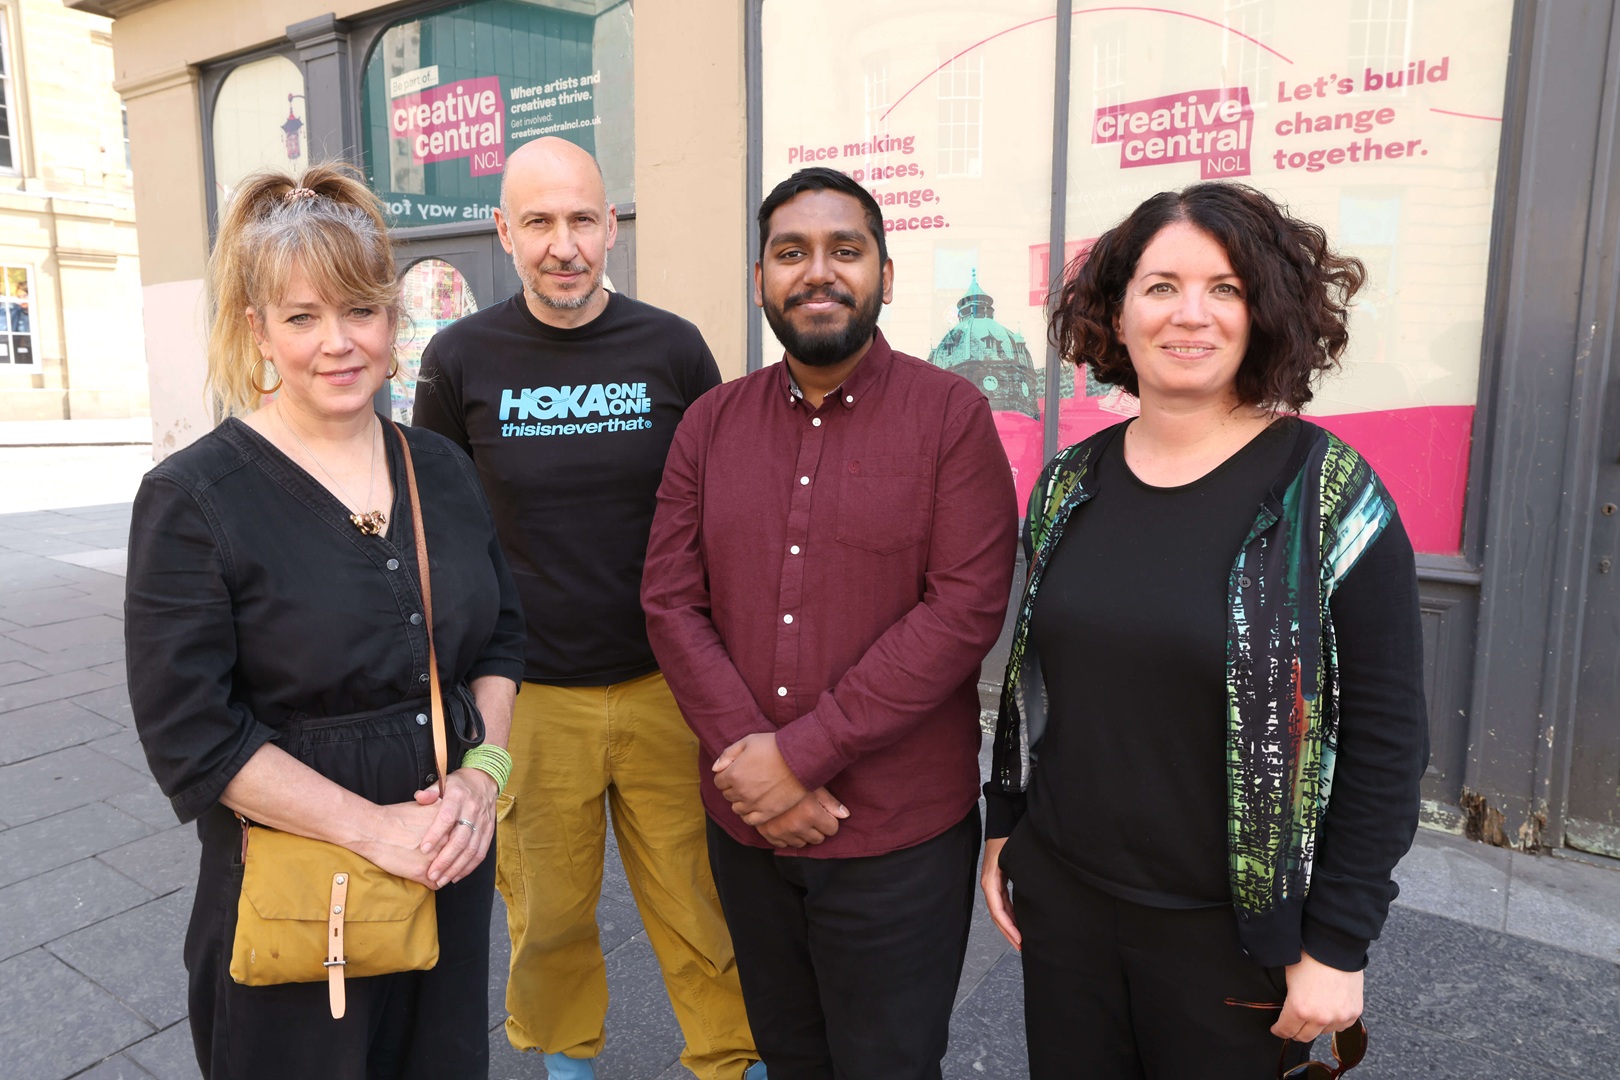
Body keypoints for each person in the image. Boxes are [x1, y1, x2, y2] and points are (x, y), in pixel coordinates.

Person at [979, 182, 1429, 1079]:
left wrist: (1340, 942)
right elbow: (1041, 686)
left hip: (1233, 938)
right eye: (1160, 286)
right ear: (1115, 310)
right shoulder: (1070, 482)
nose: (1192, 315)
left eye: (1224, 288)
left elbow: (1387, 738)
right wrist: (1007, 823)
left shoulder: (1327, 495)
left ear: (1264, 311)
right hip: (1067, 906)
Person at [123, 164, 525, 1079]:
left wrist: (482, 778)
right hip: (297, 892)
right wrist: (372, 830)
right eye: (302, 318)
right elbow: (193, 736)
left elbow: (500, 637)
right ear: (256, 329)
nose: (337, 344)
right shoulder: (194, 497)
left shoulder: (441, 469)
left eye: (359, 311)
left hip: (445, 871)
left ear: (392, 319)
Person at [642, 166, 1019, 1079]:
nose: (819, 272)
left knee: (887, 1063)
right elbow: (668, 598)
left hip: (897, 837)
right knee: (789, 1055)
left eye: (845, 251)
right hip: (746, 832)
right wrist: (754, 763)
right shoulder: (708, 423)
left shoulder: (951, 417)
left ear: (885, 275)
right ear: (761, 279)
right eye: (791, 253)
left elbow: (963, 610)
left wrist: (799, 756)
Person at [410, 137, 760, 1080]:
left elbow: (727, 508)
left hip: (666, 684)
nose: (562, 245)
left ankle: (736, 1062)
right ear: (504, 232)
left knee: (698, 904)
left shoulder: (673, 347)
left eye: (580, 220)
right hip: (529, 698)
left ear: (612, 227)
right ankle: (566, 1063)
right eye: (537, 223)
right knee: (549, 913)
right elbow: (433, 534)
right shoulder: (458, 360)